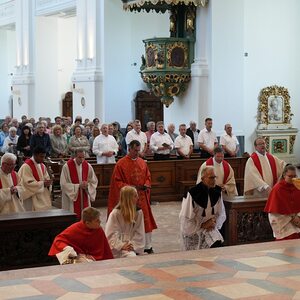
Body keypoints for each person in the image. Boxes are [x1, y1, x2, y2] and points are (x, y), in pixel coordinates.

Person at [108, 140, 157, 253]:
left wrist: (146, 184)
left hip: (142, 197)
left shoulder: (142, 162)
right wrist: (131, 189)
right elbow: (117, 182)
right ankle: (132, 245)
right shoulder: (121, 163)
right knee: (131, 221)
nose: (137, 153)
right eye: (135, 150)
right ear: (129, 149)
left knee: (145, 220)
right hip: (129, 198)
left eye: (138, 151)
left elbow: (148, 176)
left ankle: (147, 246)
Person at [179, 166, 226, 250]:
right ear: (203, 178)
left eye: (215, 177)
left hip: (210, 229)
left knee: (217, 246)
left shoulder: (217, 192)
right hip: (194, 231)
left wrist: (214, 222)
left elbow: (221, 213)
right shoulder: (193, 193)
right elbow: (185, 218)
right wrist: (202, 225)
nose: (214, 180)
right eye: (211, 178)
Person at [48, 207, 113, 264]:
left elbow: (105, 250)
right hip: (78, 257)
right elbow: (59, 240)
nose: (100, 222)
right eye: (97, 220)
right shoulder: (75, 228)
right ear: (87, 223)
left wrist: (92, 257)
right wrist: (67, 248)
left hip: (93, 258)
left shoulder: (98, 229)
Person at [105, 186, 145, 258]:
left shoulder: (138, 212)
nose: (137, 198)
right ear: (128, 198)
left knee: (132, 257)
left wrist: (132, 245)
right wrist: (121, 245)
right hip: (117, 247)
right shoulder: (115, 213)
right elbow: (111, 233)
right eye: (135, 196)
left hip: (131, 246)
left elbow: (139, 232)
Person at [264, 165, 300, 240]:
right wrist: (293, 218)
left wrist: (298, 217)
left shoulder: (297, 186)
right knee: (291, 236)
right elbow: (274, 211)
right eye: (290, 176)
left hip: (297, 221)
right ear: (284, 175)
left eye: (294, 176)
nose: (293, 179)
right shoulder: (277, 189)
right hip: (283, 221)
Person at [60, 149, 98, 219]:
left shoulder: (88, 166)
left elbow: (94, 181)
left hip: (84, 195)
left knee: (85, 217)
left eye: (83, 157)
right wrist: (78, 186)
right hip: (72, 198)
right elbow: (63, 184)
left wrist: (87, 186)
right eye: (79, 157)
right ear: (75, 157)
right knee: (73, 217)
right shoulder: (67, 166)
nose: (82, 160)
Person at [18, 146, 52, 211]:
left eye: (44, 156)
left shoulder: (42, 165)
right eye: (41, 157)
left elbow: (46, 178)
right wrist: (43, 184)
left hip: (41, 194)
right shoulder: (26, 166)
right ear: (35, 155)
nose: (43, 159)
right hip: (30, 197)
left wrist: (48, 183)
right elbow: (27, 183)